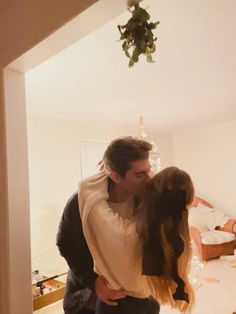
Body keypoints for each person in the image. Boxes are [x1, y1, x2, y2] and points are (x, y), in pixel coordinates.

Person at [79, 166, 195, 314]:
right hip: (150, 304)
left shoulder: (121, 234)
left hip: (117, 306)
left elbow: (86, 189)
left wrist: (110, 169)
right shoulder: (177, 241)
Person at [57, 136, 153, 314]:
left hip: (137, 297)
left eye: (149, 171)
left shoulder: (147, 200)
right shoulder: (80, 203)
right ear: (115, 176)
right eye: (140, 175)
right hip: (89, 299)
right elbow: (65, 244)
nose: (150, 179)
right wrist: (92, 280)